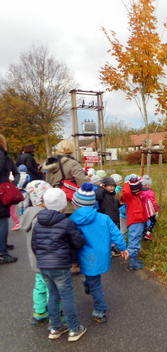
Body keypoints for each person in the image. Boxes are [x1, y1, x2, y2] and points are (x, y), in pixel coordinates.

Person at [31, 188, 87, 342]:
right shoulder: (66, 222)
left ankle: (55, 328)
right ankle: (74, 329)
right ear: (63, 205)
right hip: (61, 265)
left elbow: (34, 245)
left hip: (43, 266)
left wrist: (43, 260)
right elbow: (78, 242)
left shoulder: (38, 222)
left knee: (53, 296)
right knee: (66, 296)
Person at [70, 183, 128, 323]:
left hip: (82, 256)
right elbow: (116, 233)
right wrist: (123, 248)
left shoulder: (72, 221)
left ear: (75, 204)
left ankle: (100, 310)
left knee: (94, 284)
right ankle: (88, 284)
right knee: (93, 279)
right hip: (100, 255)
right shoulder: (104, 218)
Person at [20, 180, 52, 324]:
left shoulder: (28, 214)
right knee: (52, 287)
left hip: (35, 261)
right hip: (46, 260)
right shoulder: (42, 218)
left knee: (39, 286)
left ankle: (39, 311)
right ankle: (55, 311)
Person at [42, 139, 88, 214]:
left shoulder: (49, 163)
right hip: (69, 201)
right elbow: (82, 183)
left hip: (53, 201)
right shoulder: (73, 163)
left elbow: (47, 181)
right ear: (72, 149)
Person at [0, 134, 20, 264]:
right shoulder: (4, 155)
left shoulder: (5, 155)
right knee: (3, 220)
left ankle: (3, 246)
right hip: (3, 191)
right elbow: (16, 173)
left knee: (3, 220)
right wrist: (12, 186)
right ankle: (2, 252)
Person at [121, 176, 147, 270]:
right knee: (134, 241)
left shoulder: (138, 195)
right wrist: (128, 183)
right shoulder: (129, 196)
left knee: (137, 239)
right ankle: (132, 263)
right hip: (135, 221)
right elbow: (126, 191)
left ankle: (134, 259)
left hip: (139, 220)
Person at [96, 177, 121, 256]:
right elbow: (97, 195)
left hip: (114, 218)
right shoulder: (102, 194)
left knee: (112, 235)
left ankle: (112, 248)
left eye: (113, 186)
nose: (112, 188)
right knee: (106, 235)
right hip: (105, 218)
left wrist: (120, 204)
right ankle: (107, 251)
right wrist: (101, 187)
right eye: (110, 186)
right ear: (104, 186)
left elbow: (115, 205)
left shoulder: (113, 195)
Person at [140, 175, 159, 241]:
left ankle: (144, 233)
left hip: (142, 211)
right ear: (147, 185)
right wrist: (156, 211)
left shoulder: (139, 192)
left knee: (144, 222)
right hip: (149, 211)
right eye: (150, 184)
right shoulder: (150, 192)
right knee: (153, 221)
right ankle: (148, 234)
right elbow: (154, 202)